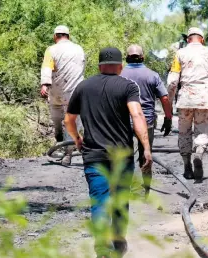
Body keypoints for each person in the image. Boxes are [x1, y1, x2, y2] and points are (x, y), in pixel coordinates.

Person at [64, 47, 152, 258]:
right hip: (122, 157)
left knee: (99, 201)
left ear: (99, 66)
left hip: (94, 156)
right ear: (120, 67)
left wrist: (77, 139)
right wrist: (146, 148)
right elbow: (137, 115)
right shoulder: (128, 87)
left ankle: (102, 249)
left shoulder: (83, 87)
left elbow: (68, 120)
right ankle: (119, 243)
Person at [167, 27, 208, 181]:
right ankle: (199, 153)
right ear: (202, 39)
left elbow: (173, 81)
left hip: (185, 99)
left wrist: (169, 102)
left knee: (184, 132)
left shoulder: (180, 53)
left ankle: (187, 167)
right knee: (202, 131)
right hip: (204, 99)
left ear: (188, 39)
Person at [120, 44, 173, 197]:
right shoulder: (152, 75)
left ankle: (126, 188)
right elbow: (164, 98)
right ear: (142, 57)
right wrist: (168, 118)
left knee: (125, 155)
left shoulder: (119, 74)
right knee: (146, 154)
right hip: (147, 122)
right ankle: (146, 190)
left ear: (127, 58)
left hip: (123, 122)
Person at [40, 25, 85, 165]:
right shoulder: (79, 49)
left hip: (56, 92)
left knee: (57, 120)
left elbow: (47, 67)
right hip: (75, 92)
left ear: (55, 36)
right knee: (71, 123)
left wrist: (44, 84)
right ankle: (68, 152)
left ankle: (60, 142)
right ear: (68, 36)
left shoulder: (51, 49)